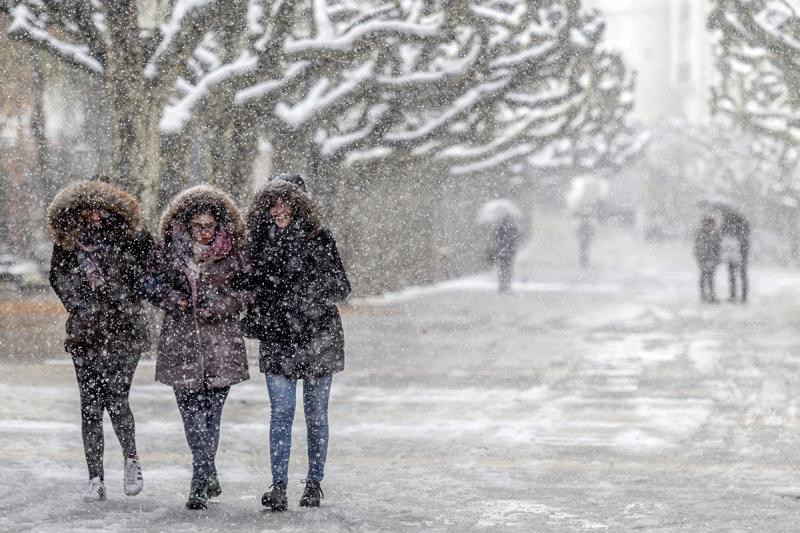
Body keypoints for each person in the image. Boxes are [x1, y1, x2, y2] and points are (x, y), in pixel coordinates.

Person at [241, 179, 351, 511]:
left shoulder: (320, 237)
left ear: (300, 204)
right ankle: (278, 486)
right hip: (278, 338)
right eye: (272, 204)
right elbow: (247, 284)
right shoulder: (258, 241)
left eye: (285, 203)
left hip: (319, 337)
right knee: (281, 414)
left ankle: (314, 484)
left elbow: (341, 286)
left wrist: (307, 292)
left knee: (316, 415)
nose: (278, 211)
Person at [47, 179, 152, 502]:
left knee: (117, 398)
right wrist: (81, 304)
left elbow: (147, 273)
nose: (94, 213)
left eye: (101, 206)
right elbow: (58, 276)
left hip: (124, 332)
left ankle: (131, 459)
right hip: (85, 334)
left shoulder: (131, 237)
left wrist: (123, 299)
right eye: (88, 206)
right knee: (90, 407)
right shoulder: (69, 240)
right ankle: (95, 477)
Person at [147, 185, 250, 510]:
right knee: (192, 418)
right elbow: (150, 283)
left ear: (219, 225)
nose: (204, 233)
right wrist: (173, 299)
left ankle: (202, 475)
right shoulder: (168, 251)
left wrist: (222, 305)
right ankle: (202, 476)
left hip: (221, 346)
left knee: (211, 418)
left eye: (209, 226)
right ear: (186, 225)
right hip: (181, 346)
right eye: (197, 226)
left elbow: (250, 290)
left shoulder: (234, 252)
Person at [719, 209, 750, 303]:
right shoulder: (743, 223)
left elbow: (722, 235)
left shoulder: (729, 223)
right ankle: (742, 296)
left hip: (736, 253)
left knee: (734, 275)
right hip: (738, 253)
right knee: (740, 275)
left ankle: (735, 296)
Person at [489, 214, 520, 292]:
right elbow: (515, 240)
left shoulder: (499, 227)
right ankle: (507, 285)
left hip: (501, 252)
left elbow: (496, 239)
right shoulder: (513, 228)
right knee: (508, 269)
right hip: (509, 252)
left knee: (502, 269)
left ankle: (502, 285)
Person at [694, 214, 721, 303]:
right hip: (704, 259)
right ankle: (704, 295)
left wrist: (716, 259)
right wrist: (700, 258)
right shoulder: (701, 234)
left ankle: (711, 295)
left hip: (712, 259)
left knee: (710, 278)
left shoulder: (715, 234)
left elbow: (718, 248)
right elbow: (697, 248)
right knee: (704, 277)